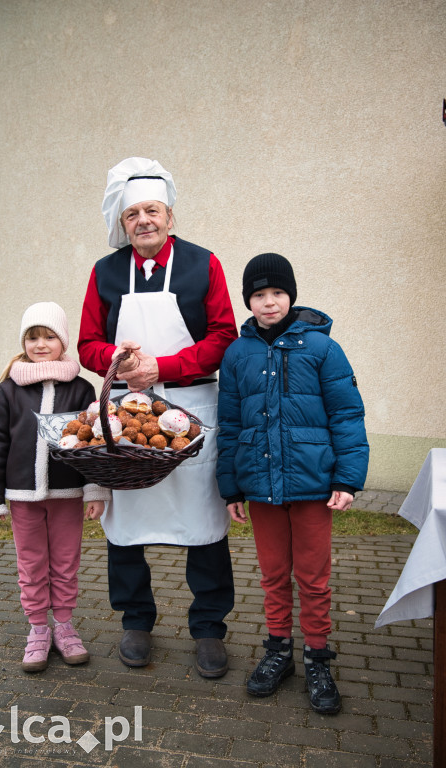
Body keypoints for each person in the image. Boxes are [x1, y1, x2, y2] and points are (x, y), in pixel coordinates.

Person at [78, 156, 238, 678]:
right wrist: (119, 363)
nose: (143, 221)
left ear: (169, 215)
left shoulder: (203, 264)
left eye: (153, 210)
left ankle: (209, 627)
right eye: (132, 215)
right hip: (128, 414)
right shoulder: (104, 272)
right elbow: (87, 344)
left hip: (193, 409)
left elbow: (222, 338)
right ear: (122, 224)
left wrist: (163, 366)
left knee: (203, 521)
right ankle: (135, 620)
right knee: (126, 521)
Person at [216, 253, 369, 713]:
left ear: (291, 296)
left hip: (312, 485)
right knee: (273, 575)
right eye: (259, 295)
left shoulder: (324, 349)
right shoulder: (237, 353)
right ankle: (278, 651)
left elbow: (346, 415)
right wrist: (231, 486)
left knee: (313, 576)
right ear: (249, 301)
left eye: (277, 293)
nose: (269, 302)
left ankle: (318, 656)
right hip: (259, 485)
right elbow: (228, 424)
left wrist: (348, 477)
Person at [0, 302, 109, 672]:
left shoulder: (81, 388)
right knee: (32, 565)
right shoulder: (8, 390)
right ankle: (38, 630)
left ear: (63, 341)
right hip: (23, 497)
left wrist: (96, 489)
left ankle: (64, 627)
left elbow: (94, 443)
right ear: (24, 342)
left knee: (65, 564)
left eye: (49, 336)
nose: (40, 343)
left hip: (68, 493)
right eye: (32, 337)